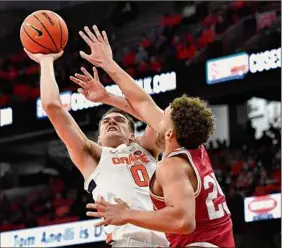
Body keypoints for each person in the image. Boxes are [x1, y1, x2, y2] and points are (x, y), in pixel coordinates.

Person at [76, 25, 235, 248]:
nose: (157, 115)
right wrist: (108, 78)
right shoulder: (194, 148)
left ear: (169, 132)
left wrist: (128, 214)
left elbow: (183, 221)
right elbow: (142, 104)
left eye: (163, 116)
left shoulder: (171, 166)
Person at [23, 48, 168, 247]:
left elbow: (161, 119)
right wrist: (46, 61)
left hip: (171, 240)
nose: (112, 122)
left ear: (133, 135)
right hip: (129, 242)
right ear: (99, 139)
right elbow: (52, 107)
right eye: (106, 121)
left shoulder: (147, 148)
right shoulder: (93, 157)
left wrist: (108, 97)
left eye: (119, 120)